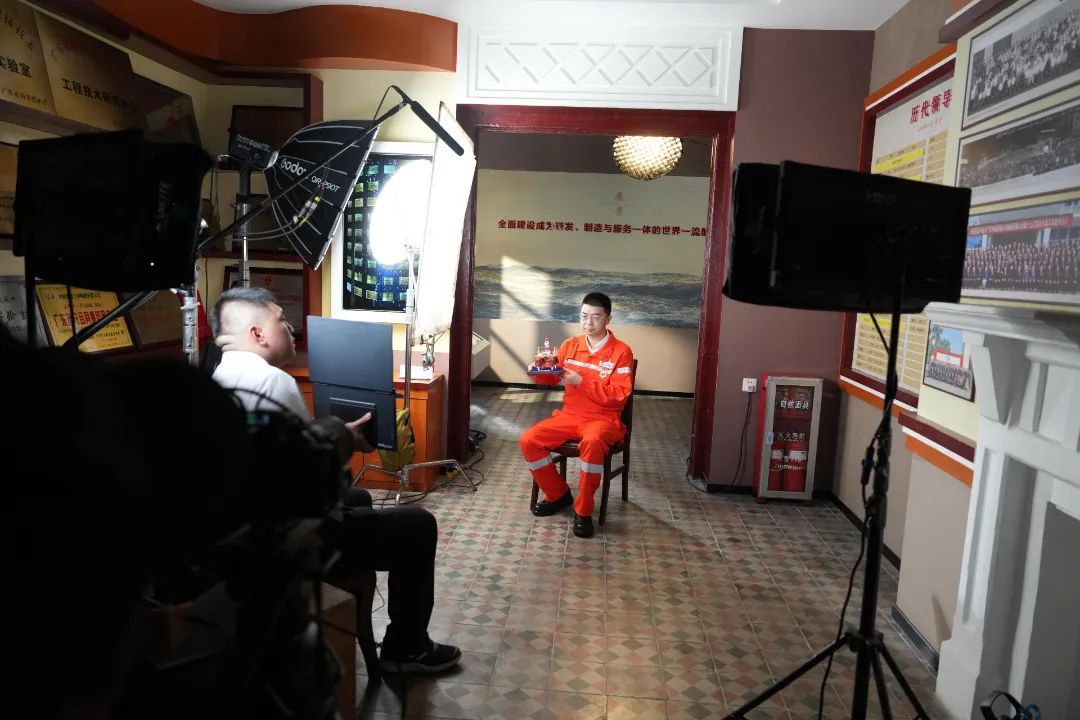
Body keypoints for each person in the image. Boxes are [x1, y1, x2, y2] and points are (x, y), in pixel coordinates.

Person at [209, 287, 461, 674]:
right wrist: (341, 446)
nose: (290, 328)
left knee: (359, 497)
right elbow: (312, 485)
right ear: (257, 333)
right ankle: (407, 648)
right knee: (418, 524)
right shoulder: (272, 382)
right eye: (281, 320)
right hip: (286, 544)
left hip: (243, 532)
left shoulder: (217, 382)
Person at [519, 292, 634, 538]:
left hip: (604, 420)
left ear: (608, 319)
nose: (588, 322)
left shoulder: (621, 351)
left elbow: (619, 396)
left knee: (592, 443)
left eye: (595, 317)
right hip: (569, 416)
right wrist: (537, 371)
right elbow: (551, 378)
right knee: (529, 440)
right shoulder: (570, 345)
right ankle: (558, 495)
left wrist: (581, 382)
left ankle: (583, 511)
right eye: (583, 316)